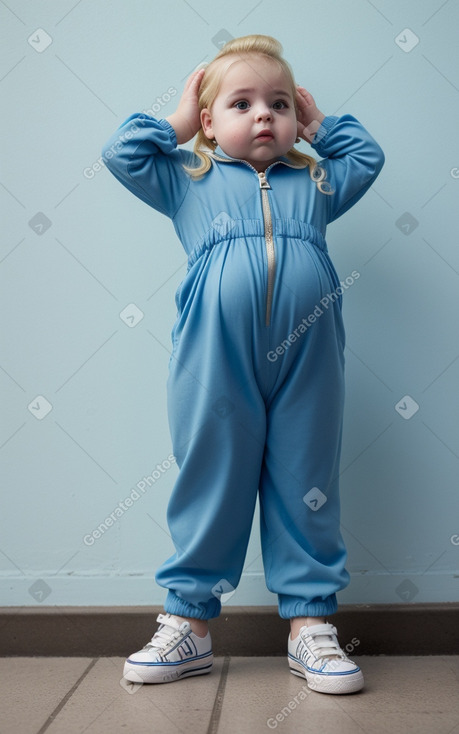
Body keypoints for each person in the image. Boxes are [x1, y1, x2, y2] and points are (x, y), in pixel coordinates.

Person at [101, 33, 384, 695]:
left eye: (279, 104)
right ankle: (189, 624)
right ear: (208, 122)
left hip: (308, 356)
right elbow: (121, 152)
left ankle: (309, 625)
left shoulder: (315, 179)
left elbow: (365, 156)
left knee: (305, 476)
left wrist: (319, 126)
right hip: (213, 357)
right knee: (210, 475)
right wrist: (175, 122)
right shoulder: (186, 178)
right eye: (242, 103)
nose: (264, 115)